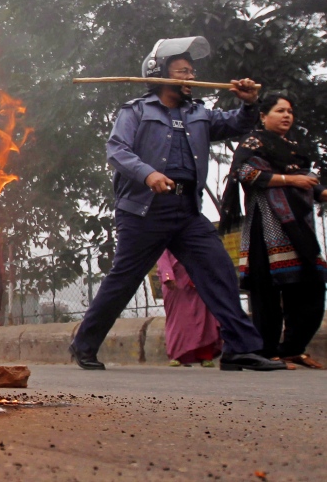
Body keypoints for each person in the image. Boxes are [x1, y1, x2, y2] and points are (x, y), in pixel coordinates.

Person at [69, 35, 284, 371]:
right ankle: (83, 345)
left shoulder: (200, 115)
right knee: (123, 279)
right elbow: (117, 150)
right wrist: (148, 174)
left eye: (192, 72)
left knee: (219, 271)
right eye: (182, 71)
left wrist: (249, 104)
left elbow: (237, 124)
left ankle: (240, 348)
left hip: (186, 212)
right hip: (144, 210)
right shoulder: (136, 111)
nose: (190, 77)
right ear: (158, 73)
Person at [220, 93, 327, 370]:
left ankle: (292, 348)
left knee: (312, 283)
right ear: (263, 116)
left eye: (290, 111)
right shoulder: (253, 142)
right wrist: (292, 180)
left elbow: (309, 180)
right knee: (266, 290)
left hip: (298, 226)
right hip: (266, 226)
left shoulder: (293, 146)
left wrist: (320, 190)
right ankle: (266, 352)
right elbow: (245, 173)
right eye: (280, 111)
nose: (287, 116)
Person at [156, 250, 221, 367]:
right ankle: (177, 354)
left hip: (200, 278)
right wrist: (167, 276)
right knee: (179, 319)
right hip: (176, 281)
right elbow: (162, 256)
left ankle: (205, 355)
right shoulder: (164, 233)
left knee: (203, 318)